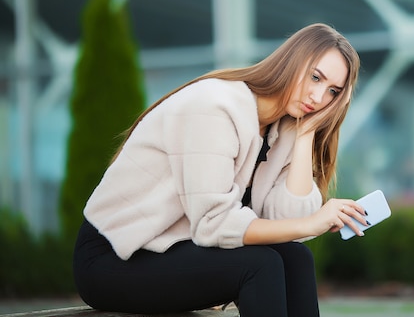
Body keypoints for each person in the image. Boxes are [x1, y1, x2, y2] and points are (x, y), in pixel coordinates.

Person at [73, 23, 368, 317]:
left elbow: (291, 223)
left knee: (295, 257)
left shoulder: (285, 128)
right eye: (315, 77)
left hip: (173, 250)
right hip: (113, 258)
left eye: (332, 91)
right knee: (260, 265)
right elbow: (214, 224)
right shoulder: (216, 106)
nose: (318, 97)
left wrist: (306, 134)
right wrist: (312, 223)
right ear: (292, 60)